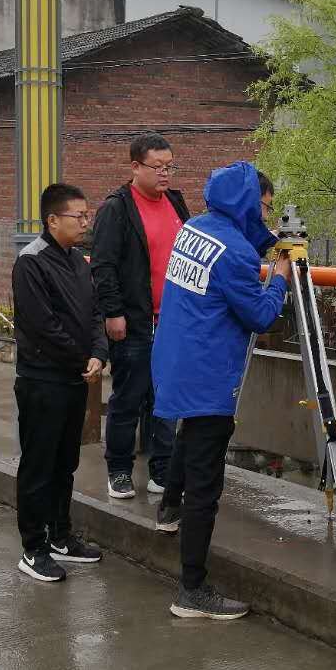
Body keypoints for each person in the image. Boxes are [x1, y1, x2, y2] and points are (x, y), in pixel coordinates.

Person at [151, 162, 291, 620]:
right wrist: (281, 277)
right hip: (209, 374)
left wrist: (268, 243)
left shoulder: (194, 228)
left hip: (177, 359)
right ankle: (192, 590)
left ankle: (168, 509)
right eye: (264, 207)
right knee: (206, 484)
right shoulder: (236, 254)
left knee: (188, 436)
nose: (265, 215)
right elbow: (260, 316)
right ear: (247, 203)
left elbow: (230, 252)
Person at [11, 182, 109, 583]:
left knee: (65, 463)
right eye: (78, 216)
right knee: (39, 465)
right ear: (52, 220)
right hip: (42, 380)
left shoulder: (78, 262)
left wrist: (98, 353)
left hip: (74, 379)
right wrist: (80, 358)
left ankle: (61, 537)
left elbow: (95, 314)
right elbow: (43, 326)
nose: (85, 222)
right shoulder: (31, 262)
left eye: (87, 215)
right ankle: (33, 548)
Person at [90, 132, 190, 500]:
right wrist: (113, 313)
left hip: (172, 321)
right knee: (128, 399)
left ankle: (162, 470)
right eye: (157, 166)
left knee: (167, 400)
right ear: (135, 166)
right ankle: (118, 470)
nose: (165, 173)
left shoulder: (176, 203)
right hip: (134, 322)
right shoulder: (117, 209)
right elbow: (103, 266)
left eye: (169, 167)